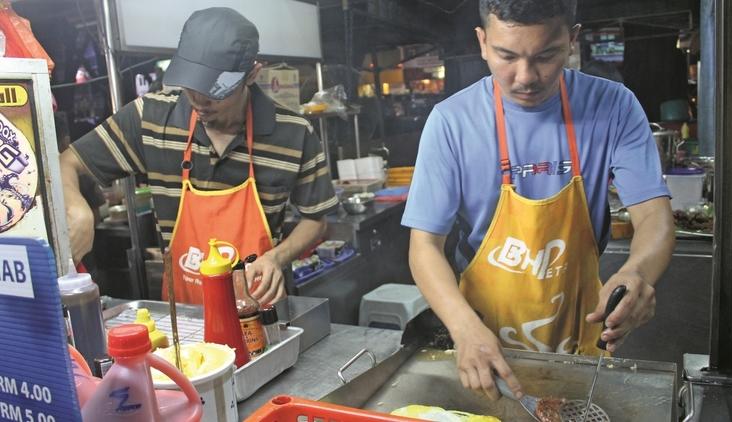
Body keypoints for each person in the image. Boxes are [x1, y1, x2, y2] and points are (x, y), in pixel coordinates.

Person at [402, 0, 674, 401]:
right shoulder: (452, 122)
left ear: (572, 40)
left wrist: (638, 272)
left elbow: (654, 217)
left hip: (580, 332)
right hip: (482, 334)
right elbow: (424, 246)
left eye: (546, 56)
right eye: (506, 56)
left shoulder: (613, 106)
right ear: (482, 42)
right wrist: (462, 328)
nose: (525, 77)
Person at [61, 7, 338, 306]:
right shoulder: (151, 118)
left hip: (260, 307)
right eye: (192, 85)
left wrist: (276, 257)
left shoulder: (295, 133)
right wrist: (78, 208)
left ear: (253, 74)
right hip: (185, 318)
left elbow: (317, 219)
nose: (199, 100)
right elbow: (68, 162)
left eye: (216, 89)